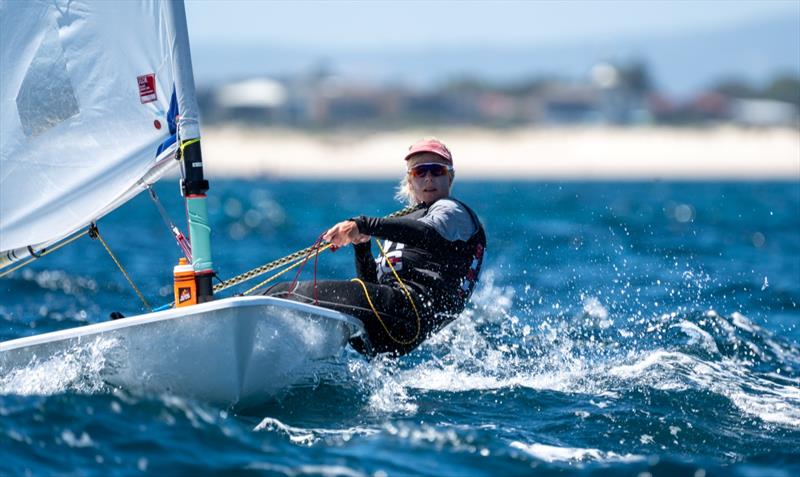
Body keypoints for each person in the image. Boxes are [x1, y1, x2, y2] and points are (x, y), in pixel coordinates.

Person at [262, 138, 486, 356]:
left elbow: (427, 234)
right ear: (410, 181)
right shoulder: (408, 221)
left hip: (410, 313)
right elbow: (371, 285)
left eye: (437, 171)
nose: (429, 178)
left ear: (450, 177)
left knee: (284, 292)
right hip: (389, 326)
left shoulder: (452, 211)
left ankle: (238, 313)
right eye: (420, 172)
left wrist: (362, 225)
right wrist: (362, 247)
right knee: (304, 303)